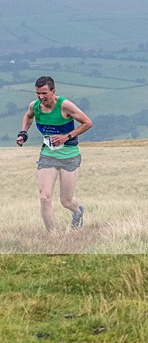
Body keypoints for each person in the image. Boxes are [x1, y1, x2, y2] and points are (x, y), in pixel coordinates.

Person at [16, 76, 92, 232]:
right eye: (38, 93)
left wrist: (66, 137)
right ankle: (54, 236)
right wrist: (23, 132)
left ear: (53, 91)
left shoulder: (65, 105)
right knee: (44, 198)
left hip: (69, 156)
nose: (40, 97)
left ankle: (77, 212)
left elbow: (87, 123)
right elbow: (28, 116)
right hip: (48, 155)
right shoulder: (35, 106)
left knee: (66, 201)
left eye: (44, 93)